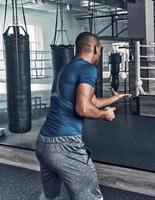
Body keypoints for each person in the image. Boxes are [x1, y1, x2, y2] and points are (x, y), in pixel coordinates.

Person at [36, 32, 131, 200]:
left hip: (44, 143)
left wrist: (114, 98)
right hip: (65, 145)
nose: (100, 54)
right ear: (95, 48)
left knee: (50, 196)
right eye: (100, 50)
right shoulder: (88, 68)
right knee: (90, 197)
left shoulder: (66, 68)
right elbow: (83, 109)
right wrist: (105, 115)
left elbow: (90, 100)